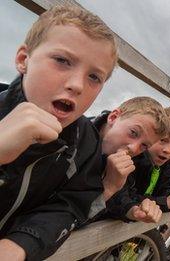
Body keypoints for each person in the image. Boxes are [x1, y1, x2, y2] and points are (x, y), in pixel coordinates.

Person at [0, 5, 118, 260]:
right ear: (23, 60)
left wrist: (22, 243)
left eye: (94, 77)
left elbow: (73, 202)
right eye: (62, 61)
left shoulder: (86, 142)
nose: (76, 85)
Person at [106, 108, 170, 222]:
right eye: (163, 140)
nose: (167, 150)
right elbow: (123, 197)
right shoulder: (133, 158)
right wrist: (167, 202)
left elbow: (168, 194)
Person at [91, 96, 168, 222]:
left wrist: (134, 211)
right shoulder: (73, 138)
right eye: (133, 133)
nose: (133, 148)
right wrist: (109, 186)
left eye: (144, 145)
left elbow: (121, 196)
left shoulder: (134, 160)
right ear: (113, 117)